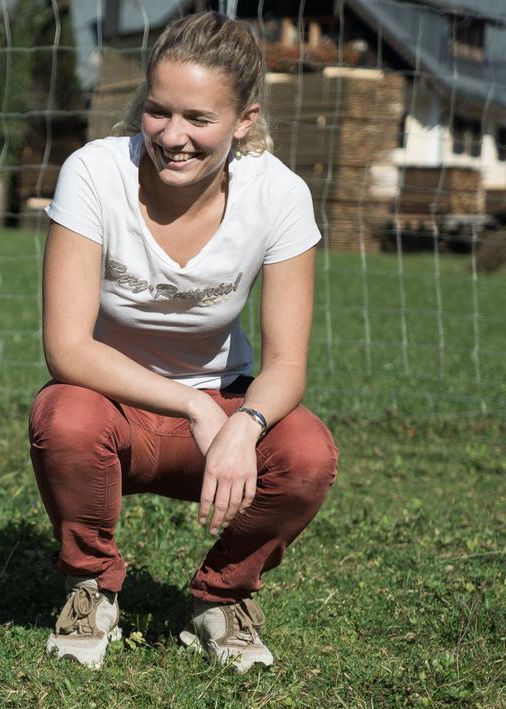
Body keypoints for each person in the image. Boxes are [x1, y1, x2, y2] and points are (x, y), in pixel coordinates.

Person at [29, 12, 338, 672]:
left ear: (244, 119)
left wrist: (244, 422)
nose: (174, 137)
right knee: (64, 414)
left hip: (224, 417)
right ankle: (92, 588)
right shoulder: (94, 174)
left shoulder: (280, 195)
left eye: (199, 119)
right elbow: (67, 348)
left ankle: (219, 601)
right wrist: (191, 406)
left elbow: (286, 366)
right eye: (158, 112)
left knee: (308, 454)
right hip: (115, 411)